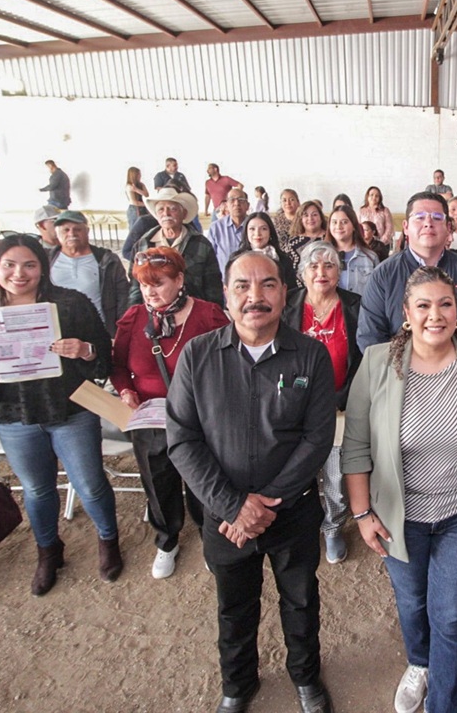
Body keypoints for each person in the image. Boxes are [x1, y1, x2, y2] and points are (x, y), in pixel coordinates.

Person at [167, 250, 337, 713]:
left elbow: (317, 438)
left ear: (284, 293)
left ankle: (305, 677)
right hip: (225, 519)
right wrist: (233, 506)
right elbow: (182, 439)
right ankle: (238, 685)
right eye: (242, 286)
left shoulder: (311, 356)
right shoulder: (198, 356)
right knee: (234, 607)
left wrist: (266, 504)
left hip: (293, 512)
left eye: (268, 284)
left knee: (301, 602)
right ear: (226, 294)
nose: (254, 296)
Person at [342, 265, 457, 713]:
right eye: (423, 305)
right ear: (406, 313)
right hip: (398, 516)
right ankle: (420, 662)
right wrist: (362, 514)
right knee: (413, 601)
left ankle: (446, 704)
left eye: (445, 304)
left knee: (453, 616)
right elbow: (356, 445)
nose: (435, 315)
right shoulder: (377, 363)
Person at [0, 235, 120, 597]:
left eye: (29, 265)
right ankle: (48, 551)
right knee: (36, 489)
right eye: (9, 265)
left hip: (72, 410)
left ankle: (109, 540)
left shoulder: (71, 303)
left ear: (42, 268)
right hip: (16, 417)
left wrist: (86, 350)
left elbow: (105, 356)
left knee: (91, 484)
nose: (19, 273)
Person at [111, 247, 229, 579]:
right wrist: (125, 390)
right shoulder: (134, 318)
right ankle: (167, 540)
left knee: (202, 479)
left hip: (199, 417)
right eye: (144, 284)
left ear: (179, 280)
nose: (150, 292)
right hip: (150, 417)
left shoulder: (208, 315)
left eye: (158, 283)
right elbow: (117, 366)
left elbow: (230, 360)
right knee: (157, 481)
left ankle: (209, 537)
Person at [281, 241, 363, 565]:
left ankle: (332, 527)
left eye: (329, 265)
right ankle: (300, 528)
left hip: (340, 405)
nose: (321, 272)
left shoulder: (354, 305)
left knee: (336, 475)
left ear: (338, 272)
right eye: (313, 266)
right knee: (296, 471)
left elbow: (363, 358)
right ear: (302, 273)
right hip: (294, 405)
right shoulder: (287, 305)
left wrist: (341, 398)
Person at [357, 191, 457, 349]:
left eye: (437, 218)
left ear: (448, 227)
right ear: (406, 227)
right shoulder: (383, 275)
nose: (428, 223)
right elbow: (370, 337)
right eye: (419, 217)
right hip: (396, 363)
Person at [128, 189, 223, 306]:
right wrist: (135, 311)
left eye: (173, 209)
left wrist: (213, 312)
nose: (166, 213)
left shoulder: (201, 244)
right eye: (161, 209)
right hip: (153, 312)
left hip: (193, 311)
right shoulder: (143, 245)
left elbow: (214, 287)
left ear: (184, 214)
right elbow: (135, 286)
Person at [48, 210, 130, 338]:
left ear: (87, 231)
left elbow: (123, 295)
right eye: (66, 230)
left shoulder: (107, 260)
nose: (72, 234)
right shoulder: (46, 259)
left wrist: (121, 329)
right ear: (57, 233)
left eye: (77, 229)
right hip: (58, 332)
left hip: (98, 330)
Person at [319, 205, 376, 297]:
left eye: (344, 222)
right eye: (334, 222)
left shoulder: (370, 257)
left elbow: (376, 291)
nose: (339, 226)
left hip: (360, 305)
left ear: (354, 226)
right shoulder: (321, 255)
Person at [235, 212, 299, 290]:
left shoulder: (283, 259)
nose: (257, 233)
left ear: (270, 232)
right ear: (246, 232)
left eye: (263, 229)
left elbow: (292, 290)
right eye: (252, 229)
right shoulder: (236, 259)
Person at [209, 188, 251, 278]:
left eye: (241, 200)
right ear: (227, 205)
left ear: (247, 206)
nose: (236, 203)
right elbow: (209, 259)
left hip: (251, 281)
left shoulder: (255, 226)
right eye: (232, 200)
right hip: (224, 282)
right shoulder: (216, 228)